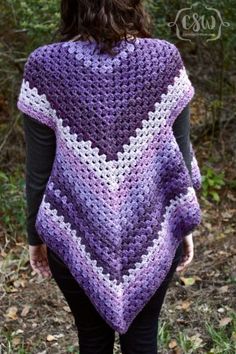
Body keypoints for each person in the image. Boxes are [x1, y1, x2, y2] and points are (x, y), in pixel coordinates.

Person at [17, 1, 202, 353]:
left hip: (74, 231)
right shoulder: (164, 59)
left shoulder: (44, 66)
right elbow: (181, 153)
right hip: (153, 231)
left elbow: (38, 170)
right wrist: (182, 224)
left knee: (92, 340)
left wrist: (34, 236)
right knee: (143, 340)